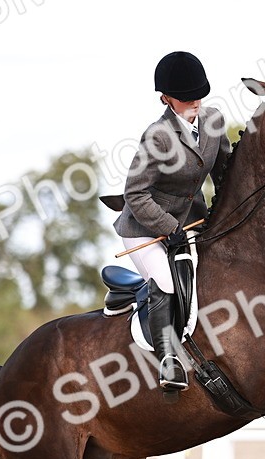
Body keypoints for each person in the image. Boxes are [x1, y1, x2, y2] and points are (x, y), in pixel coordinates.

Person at [111, 51, 231, 392]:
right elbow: (135, 195)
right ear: (166, 99)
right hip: (144, 229)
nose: (195, 101)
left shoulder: (213, 122)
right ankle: (168, 361)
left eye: (198, 94)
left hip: (192, 223)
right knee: (165, 281)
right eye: (186, 98)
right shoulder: (158, 136)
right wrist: (169, 228)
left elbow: (224, 174)